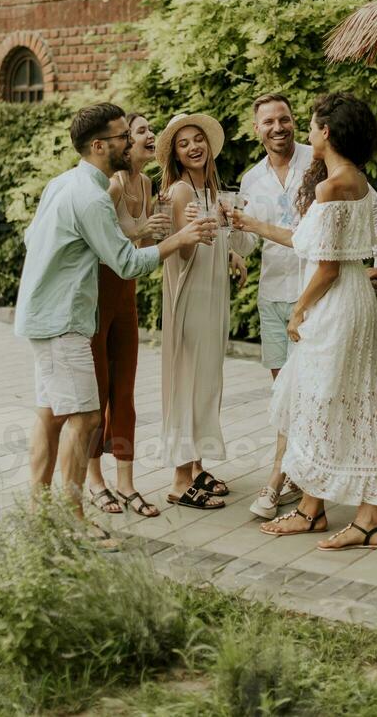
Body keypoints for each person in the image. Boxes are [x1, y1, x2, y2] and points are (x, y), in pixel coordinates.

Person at [14, 103, 215, 527]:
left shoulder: (63, 182)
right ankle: (73, 523)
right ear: (101, 145)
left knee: (51, 415)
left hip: (43, 315)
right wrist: (178, 238)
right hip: (63, 321)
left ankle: (38, 517)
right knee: (86, 417)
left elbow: (34, 237)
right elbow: (125, 263)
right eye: (125, 136)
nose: (133, 141)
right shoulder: (91, 196)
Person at [234, 92, 377, 549]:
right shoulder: (352, 178)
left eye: (312, 125)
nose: (306, 132)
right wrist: (251, 225)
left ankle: (344, 515)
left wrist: (299, 308)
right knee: (342, 404)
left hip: (335, 304)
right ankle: (341, 513)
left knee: (319, 403)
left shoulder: (329, 187)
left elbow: (327, 266)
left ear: (327, 133)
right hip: (355, 299)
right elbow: (306, 240)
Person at [156, 113, 250, 510]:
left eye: (198, 140)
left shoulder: (212, 191)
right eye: (184, 143)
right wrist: (193, 231)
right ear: (175, 155)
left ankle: (196, 466)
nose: (194, 146)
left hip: (213, 295)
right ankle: (179, 480)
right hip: (190, 296)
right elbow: (184, 250)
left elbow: (221, 242)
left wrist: (230, 247)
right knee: (188, 379)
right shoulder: (180, 192)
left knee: (207, 380)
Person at [88, 113, 169, 519]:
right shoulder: (113, 185)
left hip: (127, 294)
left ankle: (127, 484)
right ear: (125, 144)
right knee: (97, 390)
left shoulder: (148, 183)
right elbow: (108, 244)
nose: (150, 135)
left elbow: (149, 242)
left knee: (125, 390)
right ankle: (94, 481)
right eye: (141, 131)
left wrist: (165, 226)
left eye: (150, 129)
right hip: (100, 293)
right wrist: (142, 231)